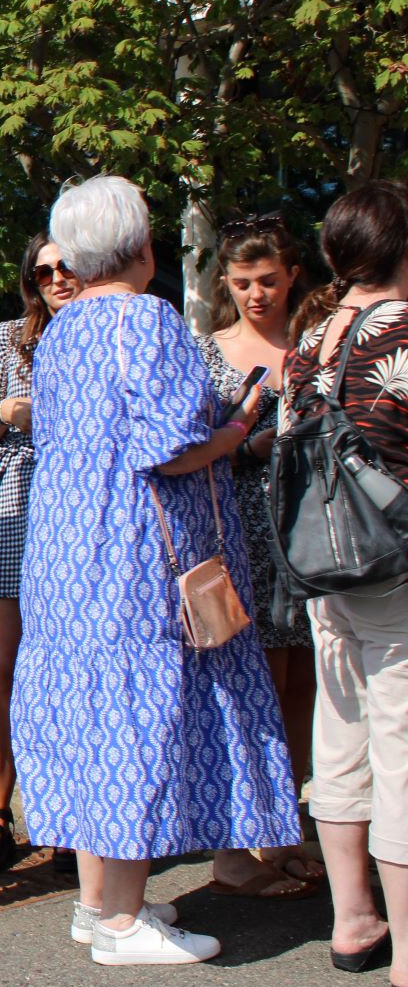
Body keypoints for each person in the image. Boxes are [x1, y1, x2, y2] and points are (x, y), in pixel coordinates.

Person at [12, 176, 300, 965]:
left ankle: (98, 900)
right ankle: (121, 922)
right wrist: (239, 423)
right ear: (140, 246)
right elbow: (170, 448)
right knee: (140, 713)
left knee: (91, 711)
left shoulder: (62, 328)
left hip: (67, 550)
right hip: (135, 548)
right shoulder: (148, 318)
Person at [279, 181, 408, 987]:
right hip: (396, 562)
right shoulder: (403, 331)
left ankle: (352, 916)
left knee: (343, 733)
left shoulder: (312, 340)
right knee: (404, 745)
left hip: (324, 560)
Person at [199, 213, 327, 890]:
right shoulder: (210, 350)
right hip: (242, 532)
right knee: (258, 686)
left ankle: (289, 820)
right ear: (226, 282)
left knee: (305, 681)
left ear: (292, 277)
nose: (257, 294)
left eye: (269, 280)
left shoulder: (313, 345)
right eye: (244, 282)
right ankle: (252, 828)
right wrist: (244, 443)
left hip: (309, 530)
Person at [0, 233, 83, 876]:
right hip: (14, 505)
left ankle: (66, 811)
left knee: (73, 662)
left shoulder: (101, 330)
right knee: (8, 659)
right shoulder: (10, 337)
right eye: (44, 269)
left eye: (68, 265)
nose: (58, 277)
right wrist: (7, 410)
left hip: (83, 509)